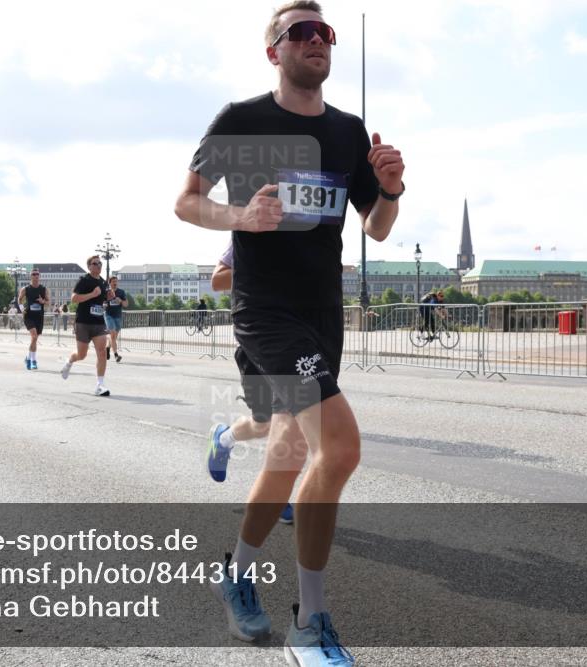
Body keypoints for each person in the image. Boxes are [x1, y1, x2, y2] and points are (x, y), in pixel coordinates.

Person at [173, 2, 404, 662]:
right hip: (265, 313)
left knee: (287, 455)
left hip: (322, 313)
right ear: (274, 51)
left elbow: (377, 226)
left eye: (323, 32)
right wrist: (239, 215)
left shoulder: (348, 130)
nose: (315, 41)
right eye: (299, 32)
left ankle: (235, 577)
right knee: (342, 444)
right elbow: (185, 200)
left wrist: (390, 189)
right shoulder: (241, 120)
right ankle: (310, 620)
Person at [209, 242, 295, 524]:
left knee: (293, 424)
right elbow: (218, 280)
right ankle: (224, 438)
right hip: (257, 343)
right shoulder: (249, 233)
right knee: (265, 424)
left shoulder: (311, 236)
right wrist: (263, 267)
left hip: (296, 343)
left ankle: (275, 494)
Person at [60, 255, 111, 396]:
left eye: (100, 263)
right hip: (83, 322)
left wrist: (109, 297)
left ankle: (100, 385)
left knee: (102, 352)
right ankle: (69, 361)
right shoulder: (84, 280)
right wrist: (92, 294)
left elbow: (105, 298)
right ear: (89, 266)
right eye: (96, 263)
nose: (99, 266)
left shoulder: (103, 282)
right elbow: (74, 298)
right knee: (82, 355)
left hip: (99, 322)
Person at [18, 269, 50, 370]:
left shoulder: (44, 289)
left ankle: (28, 358)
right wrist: (22, 309)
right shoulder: (26, 289)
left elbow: (48, 302)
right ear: (30, 276)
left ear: (39, 276)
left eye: (37, 274)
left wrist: (43, 301)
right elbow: (19, 299)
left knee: (34, 339)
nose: (36, 276)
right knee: (34, 336)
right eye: (33, 274)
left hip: (39, 316)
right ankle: (34, 361)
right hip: (29, 316)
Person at [103, 276, 127, 362]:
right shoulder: (106, 292)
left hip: (118, 316)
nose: (115, 283)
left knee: (114, 337)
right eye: (113, 281)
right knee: (112, 335)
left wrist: (120, 301)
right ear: (110, 283)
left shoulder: (121, 292)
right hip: (108, 315)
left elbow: (126, 304)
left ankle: (107, 348)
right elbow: (102, 303)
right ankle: (116, 355)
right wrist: (104, 304)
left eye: (116, 281)